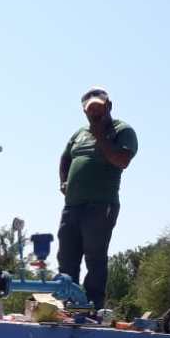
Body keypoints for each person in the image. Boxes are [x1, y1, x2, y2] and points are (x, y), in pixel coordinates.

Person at [57, 87, 138, 310]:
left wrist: (100, 132)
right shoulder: (78, 134)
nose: (95, 115)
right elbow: (65, 158)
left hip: (101, 205)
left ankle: (92, 306)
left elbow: (121, 160)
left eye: (99, 110)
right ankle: (67, 303)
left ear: (109, 107)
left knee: (95, 256)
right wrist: (63, 181)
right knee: (66, 257)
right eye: (90, 112)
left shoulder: (122, 130)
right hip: (72, 205)